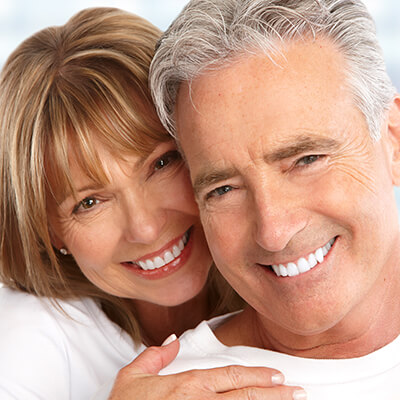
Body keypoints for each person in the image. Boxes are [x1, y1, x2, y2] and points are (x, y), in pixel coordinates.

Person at [0, 7, 302, 400]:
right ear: (47, 231)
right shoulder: (27, 344)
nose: (144, 227)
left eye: (161, 163)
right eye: (89, 202)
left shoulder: (302, 268)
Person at [149, 0, 400, 398]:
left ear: (392, 139)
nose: (274, 231)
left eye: (306, 160)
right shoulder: (177, 390)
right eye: (224, 189)